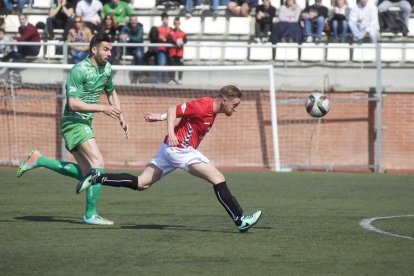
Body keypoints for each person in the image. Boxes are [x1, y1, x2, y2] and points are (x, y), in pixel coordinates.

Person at [76, 85, 262, 233]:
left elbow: (182, 112)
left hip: (169, 150)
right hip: (180, 149)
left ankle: (95, 178)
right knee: (218, 178)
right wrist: (171, 130)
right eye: (234, 105)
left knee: (142, 183)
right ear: (224, 100)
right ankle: (240, 220)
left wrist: (160, 118)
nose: (235, 109)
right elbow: (173, 108)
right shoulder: (203, 105)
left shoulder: (210, 109)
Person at [16, 33, 129, 225]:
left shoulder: (107, 69)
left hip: (84, 123)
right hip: (73, 121)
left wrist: (120, 114)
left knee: (89, 173)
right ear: (94, 49)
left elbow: (111, 92)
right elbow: (74, 103)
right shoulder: (79, 70)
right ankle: (90, 215)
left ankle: (39, 159)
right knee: (98, 163)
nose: (110, 53)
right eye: (106, 49)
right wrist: (103, 108)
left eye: (111, 49)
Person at [119, 15, 144, 83]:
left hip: (137, 48)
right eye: (132, 20)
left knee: (139, 55)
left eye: (135, 20)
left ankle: (138, 74)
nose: (133, 21)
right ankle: (137, 75)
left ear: (137, 21)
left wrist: (128, 37)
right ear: (130, 21)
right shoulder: (126, 27)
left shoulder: (140, 28)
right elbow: (121, 35)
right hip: (128, 49)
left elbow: (138, 39)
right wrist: (122, 36)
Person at [167, 17, 186, 85]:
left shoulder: (183, 33)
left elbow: (185, 40)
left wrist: (181, 43)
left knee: (180, 66)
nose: (177, 24)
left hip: (180, 53)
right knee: (172, 66)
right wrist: (175, 43)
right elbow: (169, 40)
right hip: (172, 52)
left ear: (179, 23)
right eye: (175, 23)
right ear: (174, 24)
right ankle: (172, 79)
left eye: (178, 23)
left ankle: (180, 79)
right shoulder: (170, 32)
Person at [156, 12, 172, 84]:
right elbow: (155, 36)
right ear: (162, 20)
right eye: (164, 19)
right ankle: (158, 80)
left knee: (170, 64)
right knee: (161, 64)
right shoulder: (158, 28)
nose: (165, 20)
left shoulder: (170, 29)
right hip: (161, 48)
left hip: (169, 50)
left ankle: (168, 80)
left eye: (166, 19)